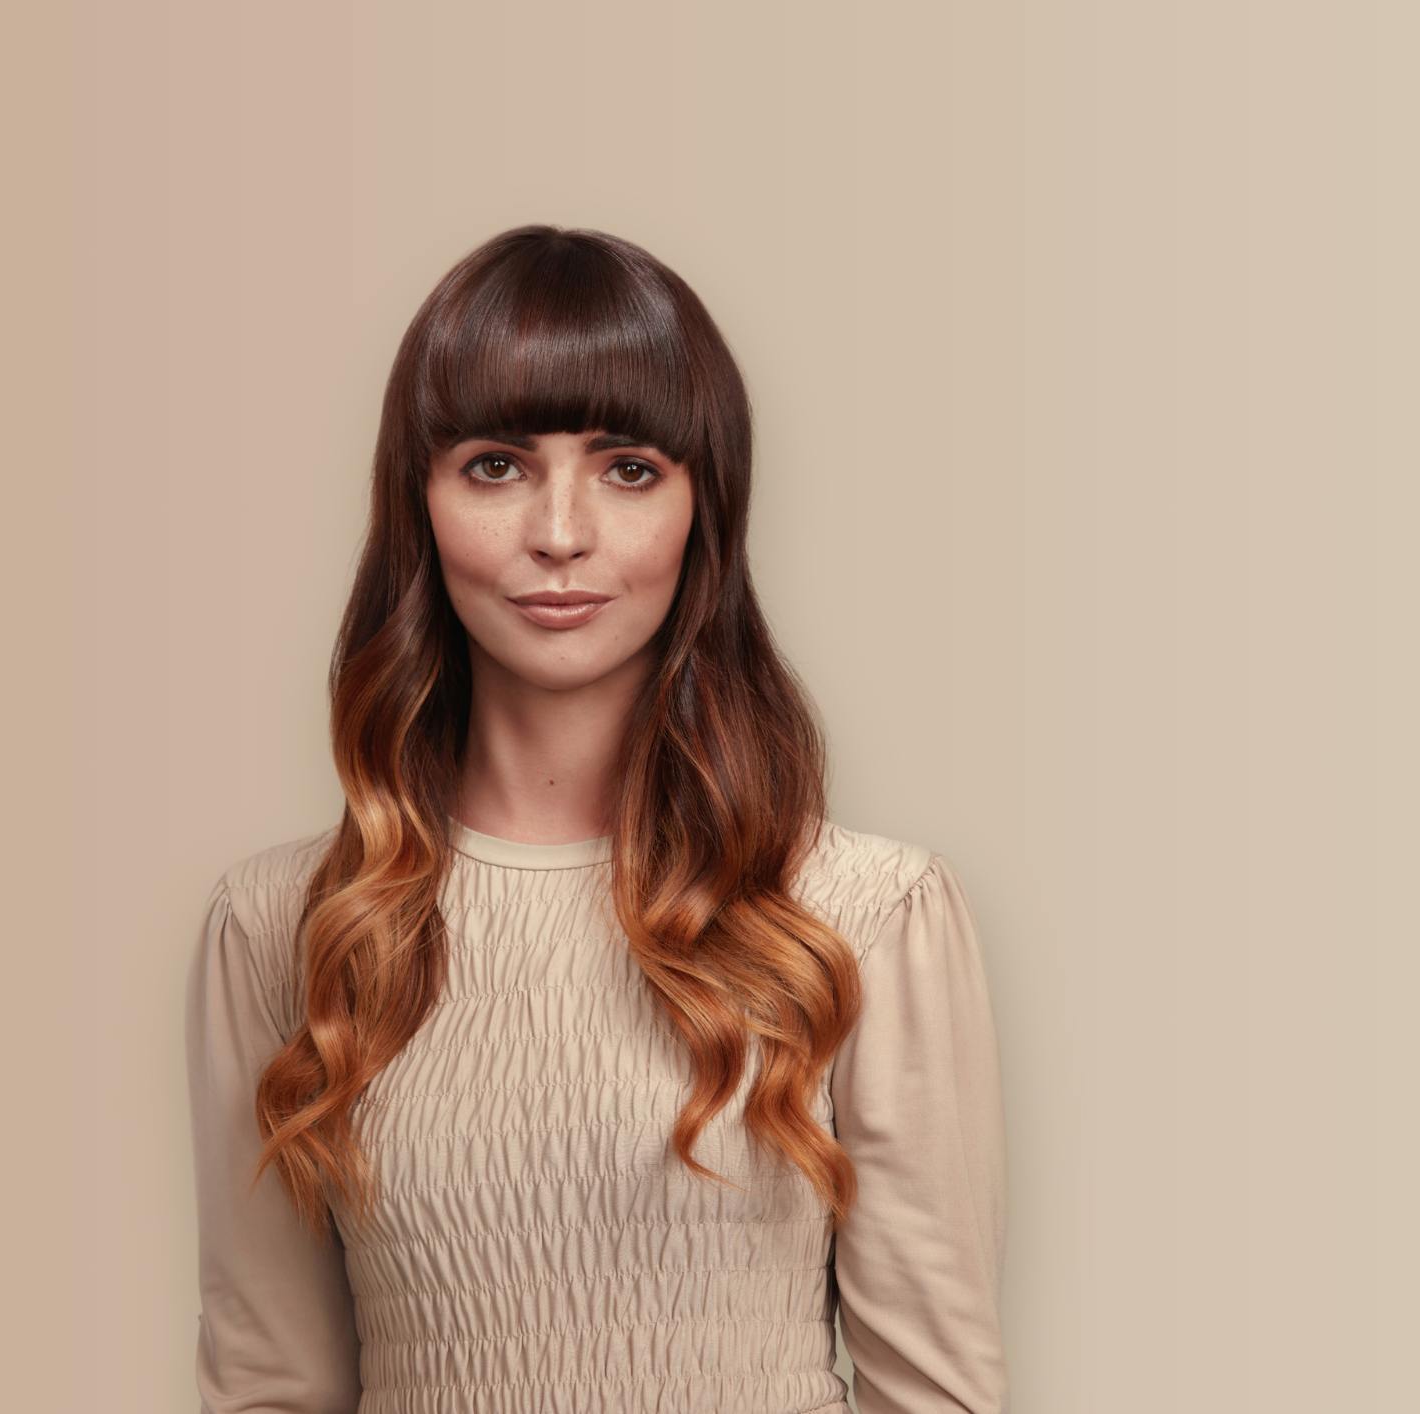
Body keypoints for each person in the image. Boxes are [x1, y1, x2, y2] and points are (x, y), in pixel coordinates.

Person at [186, 226, 1008, 1413]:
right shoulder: (283, 925)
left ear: (700, 511)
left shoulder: (863, 914)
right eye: (494, 465)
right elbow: (269, 1382)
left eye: (627, 467)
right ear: (417, 502)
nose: (559, 533)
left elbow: (933, 1395)